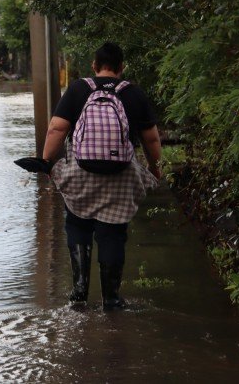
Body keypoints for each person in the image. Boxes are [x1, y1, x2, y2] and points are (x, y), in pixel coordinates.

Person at [42, 42, 162, 310]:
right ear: (122, 68)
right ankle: (111, 298)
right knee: (112, 233)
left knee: (78, 224)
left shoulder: (78, 89)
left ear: (94, 66)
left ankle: (79, 293)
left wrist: (47, 163)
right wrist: (155, 168)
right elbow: (151, 139)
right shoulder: (133, 94)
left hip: (80, 171)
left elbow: (56, 130)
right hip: (121, 174)